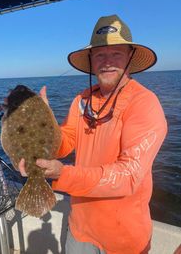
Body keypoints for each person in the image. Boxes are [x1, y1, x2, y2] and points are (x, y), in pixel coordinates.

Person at [19, 15, 167, 254]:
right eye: (100, 55)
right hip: (80, 228)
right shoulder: (82, 99)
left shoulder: (145, 104)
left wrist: (62, 173)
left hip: (124, 238)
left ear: (129, 58)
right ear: (91, 60)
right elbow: (64, 144)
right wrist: (45, 125)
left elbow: (128, 176)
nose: (107, 62)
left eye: (116, 54)